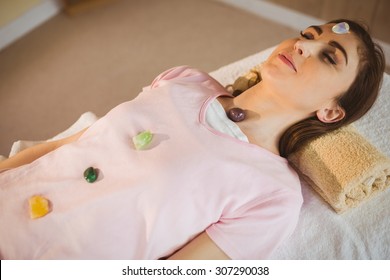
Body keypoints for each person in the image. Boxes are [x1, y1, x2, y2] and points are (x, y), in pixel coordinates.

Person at [0, 19, 385, 260]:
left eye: (329, 57)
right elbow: (67, 145)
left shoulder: (273, 194)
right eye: (307, 35)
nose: (302, 45)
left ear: (332, 112)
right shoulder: (185, 80)